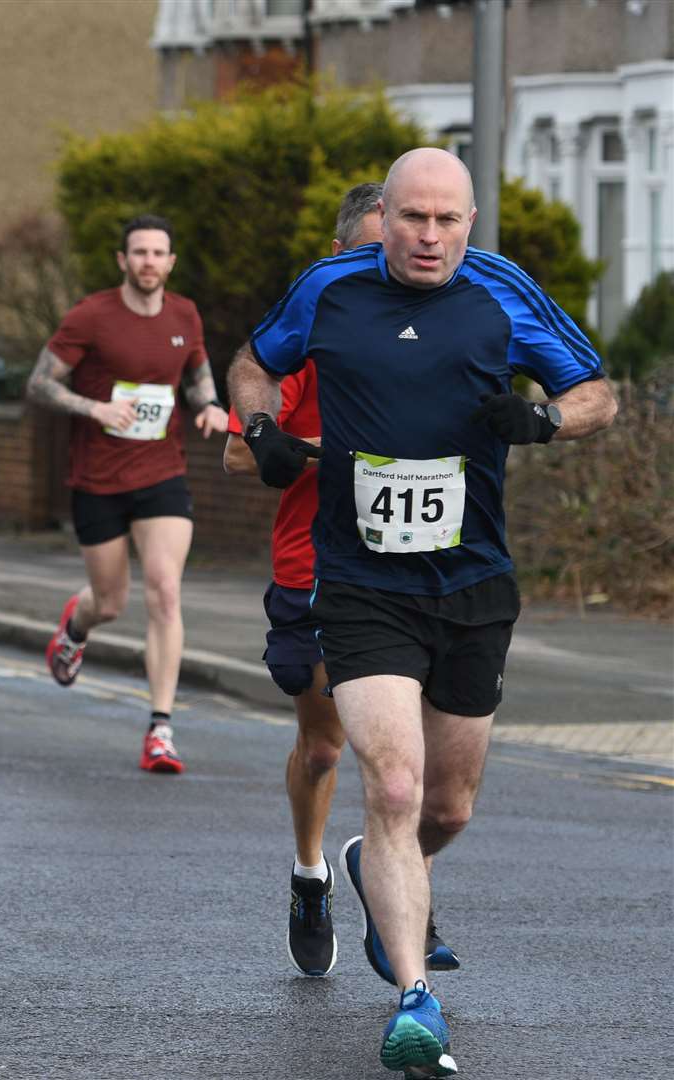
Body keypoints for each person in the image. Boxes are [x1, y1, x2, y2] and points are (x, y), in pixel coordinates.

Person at [228, 147, 616, 1078]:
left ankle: (374, 863)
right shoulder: (329, 289)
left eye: (447, 221)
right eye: (412, 219)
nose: (428, 237)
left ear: (469, 224)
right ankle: (414, 1001)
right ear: (385, 218)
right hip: (360, 584)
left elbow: (596, 393)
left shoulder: (503, 292)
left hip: (472, 581)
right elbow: (249, 362)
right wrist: (260, 429)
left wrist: (546, 422)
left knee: (446, 805)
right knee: (394, 786)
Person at [225, 181, 460, 979]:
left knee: (413, 770)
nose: (389, 259)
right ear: (341, 254)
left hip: (421, 573)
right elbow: (236, 448)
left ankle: (402, 888)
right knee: (325, 748)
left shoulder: (439, 324)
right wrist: (325, 445)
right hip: (315, 567)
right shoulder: (310, 326)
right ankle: (310, 872)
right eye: (370, 247)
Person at [28, 214, 229, 774]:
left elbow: (196, 374)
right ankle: (76, 626)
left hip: (162, 472)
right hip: (98, 479)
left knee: (165, 590)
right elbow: (40, 382)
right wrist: (95, 408)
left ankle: (160, 729)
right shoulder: (92, 315)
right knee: (111, 602)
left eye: (158, 253)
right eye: (138, 252)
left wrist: (209, 405)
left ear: (170, 262)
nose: (148, 262)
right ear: (123, 260)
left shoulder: (184, 314)